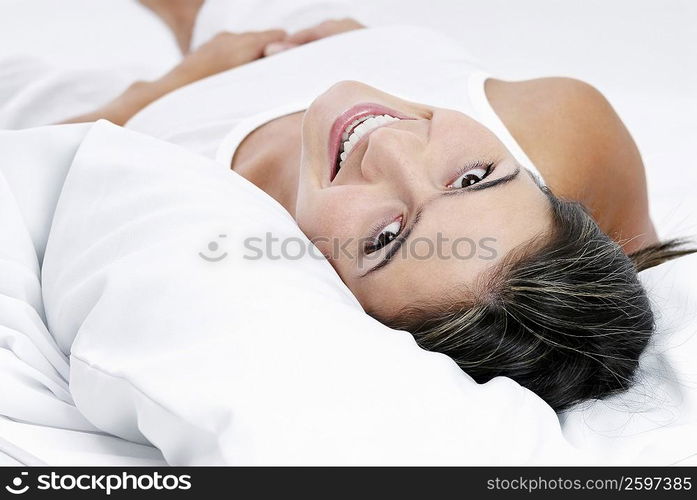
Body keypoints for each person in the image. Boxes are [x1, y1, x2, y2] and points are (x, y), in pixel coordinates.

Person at [61, 2, 694, 411]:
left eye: (385, 236)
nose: (386, 142)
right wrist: (376, 53)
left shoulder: (178, 207)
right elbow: (626, 270)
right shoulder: (561, 129)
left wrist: (157, 94)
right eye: (475, 176)